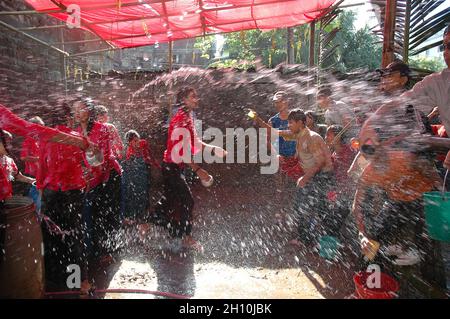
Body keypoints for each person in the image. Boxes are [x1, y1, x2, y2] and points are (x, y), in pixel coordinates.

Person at [353, 114, 447, 297]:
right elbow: (357, 204)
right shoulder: (369, 173)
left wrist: (441, 201)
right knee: (373, 240)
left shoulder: (406, 158)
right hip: (396, 202)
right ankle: (371, 286)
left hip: (423, 201)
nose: (376, 163)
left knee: (429, 251)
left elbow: (435, 180)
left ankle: (438, 289)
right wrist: (362, 234)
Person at [141, 87, 227, 251]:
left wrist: (213, 149)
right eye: (193, 96)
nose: (197, 99)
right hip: (172, 167)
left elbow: (195, 143)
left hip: (174, 166)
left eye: (196, 96)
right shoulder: (180, 119)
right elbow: (181, 151)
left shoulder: (187, 117)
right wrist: (198, 170)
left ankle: (147, 224)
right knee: (187, 200)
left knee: (168, 201)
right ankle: (186, 237)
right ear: (184, 100)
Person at [254, 108, 335, 246]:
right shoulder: (297, 134)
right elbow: (274, 132)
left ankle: (318, 237)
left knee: (314, 206)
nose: (288, 126)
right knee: (306, 206)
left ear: (300, 123)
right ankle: (309, 237)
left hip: (322, 176)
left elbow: (320, 162)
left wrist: (305, 178)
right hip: (313, 175)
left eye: (291, 123)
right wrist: (258, 120)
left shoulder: (312, 138)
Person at [37, 102, 89, 292]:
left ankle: (54, 281)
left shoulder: (45, 139)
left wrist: (42, 195)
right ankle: (77, 282)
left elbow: (41, 170)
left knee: (51, 237)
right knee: (74, 236)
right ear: (68, 118)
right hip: (72, 194)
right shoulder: (75, 138)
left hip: (51, 194)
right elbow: (88, 164)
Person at [73, 98, 120, 273]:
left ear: (90, 111)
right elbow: (77, 158)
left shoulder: (102, 129)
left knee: (105, 214)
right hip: (88, 180)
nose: (77, 112)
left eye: (81, 109)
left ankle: (107, 251)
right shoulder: (75, 132)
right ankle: (92, 249)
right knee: (89, 215)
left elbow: (105, 156)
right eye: (75, 109)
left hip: (108, 176)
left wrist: (93, 176)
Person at [1, 129, 36, 266]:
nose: (8, 145)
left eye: (10, 142)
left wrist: (33, 181)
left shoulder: (9, 160)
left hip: (5, 203)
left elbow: (18, 176)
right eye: (6, 142)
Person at [121, 129, 160, 224]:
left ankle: (147, 212)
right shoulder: (129, 154)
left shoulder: (143, 143)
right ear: (129, 143)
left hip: (146, 167)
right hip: (139, 171)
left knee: (147, 189)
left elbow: (150, 154)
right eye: (134, 141)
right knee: (140, 191)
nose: (137, 142)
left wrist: (156, 165)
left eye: (137, 139)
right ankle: (138, 215)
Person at [324, 125, 356, 236]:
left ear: (338, 136)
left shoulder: (350, 151)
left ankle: (330, 248)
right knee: (330, 219)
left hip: (349, 193)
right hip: (338, 191)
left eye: (329, 134)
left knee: (334, 221)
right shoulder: (333, 153)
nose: (326, 137)